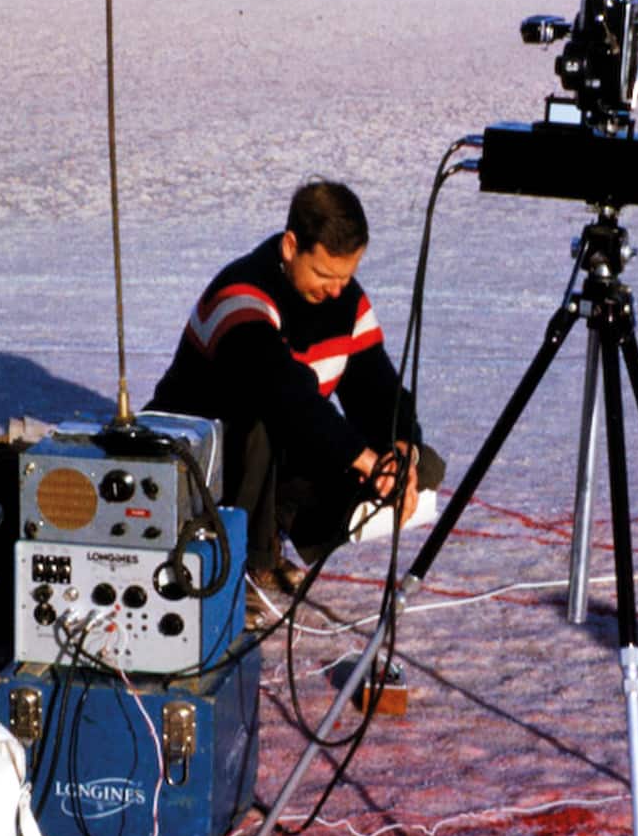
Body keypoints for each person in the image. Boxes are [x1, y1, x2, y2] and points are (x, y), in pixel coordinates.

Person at [148, 179, 443, 588]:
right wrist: (366, 461)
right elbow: (282, 393)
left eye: (346, 275)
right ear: (291, 247)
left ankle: (268, 540)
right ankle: (238, 567)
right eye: (325, 274)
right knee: (263, 421)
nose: (337, 289)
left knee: (423, 463)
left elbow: (376, 389)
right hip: (200, 457)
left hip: (286, 448)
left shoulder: (345, 299)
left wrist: (400, 452)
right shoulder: (240, 296)